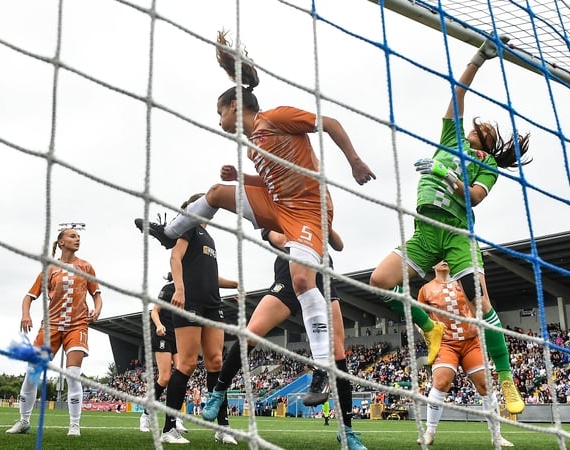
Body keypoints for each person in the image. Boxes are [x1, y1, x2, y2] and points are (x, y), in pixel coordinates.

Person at [135, 30, 375, 403]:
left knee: (301, 279)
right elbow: (271, 180)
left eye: (219, 112)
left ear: (234, 106)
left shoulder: (275, 118)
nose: (218, 120)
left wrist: (355, 161)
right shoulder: (252, 146)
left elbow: (329, 123)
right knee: (215, 192)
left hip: (306, 211)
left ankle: (322, 370)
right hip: (278, 207)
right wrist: (240, 179)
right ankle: (171, 231)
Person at [368, 34, 529, 414]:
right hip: (425, 231)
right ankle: (430, 327)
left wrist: (445, 172)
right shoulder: (451, 135)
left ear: (488, 146)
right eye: (476, 128)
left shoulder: (487, 164)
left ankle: (505, 378)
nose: (477, 130)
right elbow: (458, 93)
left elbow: (473, 197)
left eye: (484, 132)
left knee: (481, 303)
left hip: (457, 235)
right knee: (378, 283)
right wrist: (478, 59)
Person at [201, 228, 367, 450]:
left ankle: (346, 432)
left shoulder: (319, 204)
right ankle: (218, 392)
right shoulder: (279, 203)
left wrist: (324, 226)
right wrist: (300, 237)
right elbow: (274, 236)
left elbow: (338, 245)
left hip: (321, 272)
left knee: (337, 350)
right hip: (290, 272)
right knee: (250, 333)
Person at [154, 193, 239, 445]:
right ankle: (169, 429)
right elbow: (174, 258)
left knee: (215, 363)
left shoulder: (209, 237)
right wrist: (178, 288)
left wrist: (236, 284)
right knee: (187, 364)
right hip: (190, 303)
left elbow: (209, 275)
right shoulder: (189, 226)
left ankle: (222, 427)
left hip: (213, 305)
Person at [6, 227, 103, 437]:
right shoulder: (50, 269)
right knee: (32, 374)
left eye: (78, 237)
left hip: (77, 325)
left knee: (73, 375)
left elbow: (96, 294)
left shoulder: (86, 266)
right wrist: (26, 314)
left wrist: (97, 309)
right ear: (61, 242)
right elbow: (28, 296)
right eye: (72, 236)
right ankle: (23, 421)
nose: (77, 239)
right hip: (50, 327)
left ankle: (74, 425)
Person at [415, 261, 513, 447]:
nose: (443, 261)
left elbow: (482, 306)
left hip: (471, 342)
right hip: (445, 343)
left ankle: (497, 436)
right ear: (432, 265)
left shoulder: (464, 281)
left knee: (486, 385)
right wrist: (424, 331)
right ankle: (430, 432)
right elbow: (418, 316)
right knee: (441, 382)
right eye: (439, 258)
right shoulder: (425, 289)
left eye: (446, 257)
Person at [139, 272, 186, 434]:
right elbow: (154, 311)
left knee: (182, 375)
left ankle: (175, 417)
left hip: (179, 337)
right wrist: (159, 325)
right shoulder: (168, 289)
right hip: (163, 334)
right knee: (165, 377)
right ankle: (145, 414)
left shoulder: (190, 291)